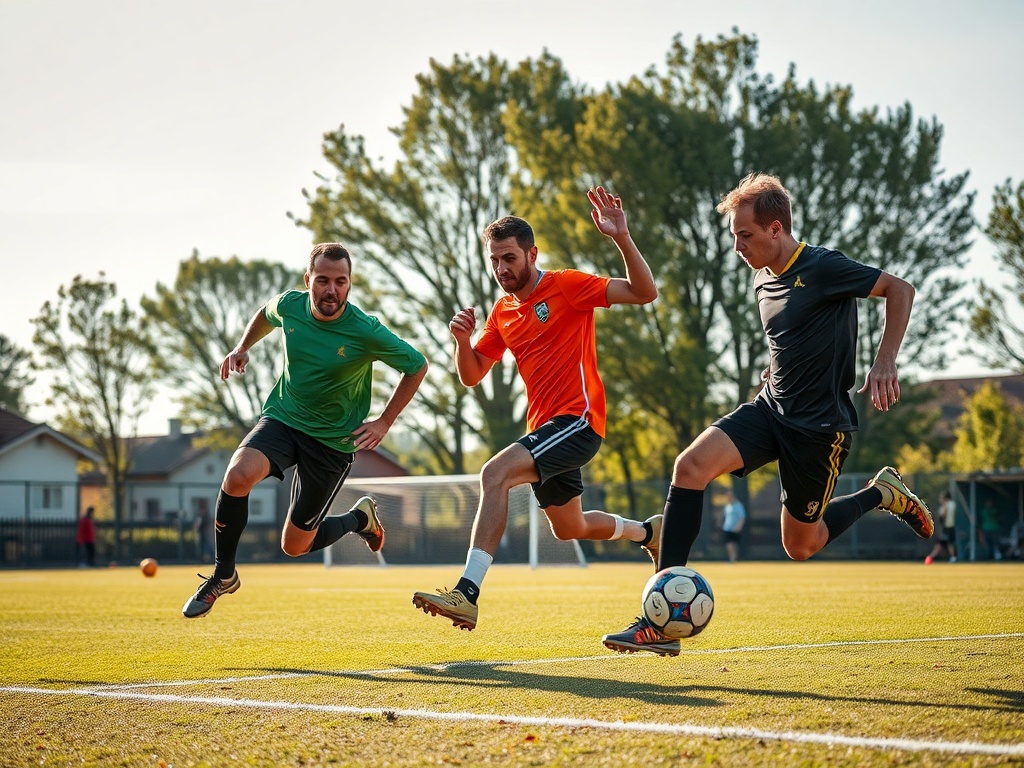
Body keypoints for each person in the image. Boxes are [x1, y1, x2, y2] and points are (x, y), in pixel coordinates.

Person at [602, 172, 933, 657]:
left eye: (745, 235)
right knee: (689, 467)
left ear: (776, 229)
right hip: (770, 408)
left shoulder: (823, 266)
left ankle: (881, 493)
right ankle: (660, 624)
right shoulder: (761, 278)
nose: (738, 247)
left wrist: (885, 361)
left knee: (801, 545)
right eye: (734, 236)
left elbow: (900, 289)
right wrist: (775, 368)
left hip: (819, 429)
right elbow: (791, 336)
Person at [411, 186, 660, 631]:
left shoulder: (567, 285)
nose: (501, 269)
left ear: (531, 254)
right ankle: (649, 532)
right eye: (494, 260)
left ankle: (467, 593)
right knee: (570, 527)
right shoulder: (502, 311)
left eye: (509, 258)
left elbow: (645, 292)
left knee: (494, 474)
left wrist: (621, 237)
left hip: (578, 420)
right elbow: (472, 374)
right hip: (545, 430)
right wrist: (462, 342)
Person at [181, 242, 428, 618]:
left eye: (341, 282)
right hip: (284, 418)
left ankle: (359, 519)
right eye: (323, 280)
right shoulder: (290, 305)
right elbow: (266, 313)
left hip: (331, 442)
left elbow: (416, 365)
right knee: (237, 476)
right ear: (307, 279)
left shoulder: (365, 330)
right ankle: (223, 574)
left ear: (350, 283)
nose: (332, 290)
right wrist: (242, 346)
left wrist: (384, 421)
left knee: (294, 546)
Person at [925, 491, 957, 564]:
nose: (940, 499)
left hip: (948, 528)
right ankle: (931, 557)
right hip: (946, 528)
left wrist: (945, 506)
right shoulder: (947, 505)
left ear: (945, 498)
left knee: (949, 543)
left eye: (941, 497)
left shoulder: (948, 505)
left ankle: (953, 558)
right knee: (940, 543)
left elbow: (943, 517)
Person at [720, 490, 746, 563]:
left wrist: (739, 527)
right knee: (729, 544)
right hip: (727, 528)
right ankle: (732, 558)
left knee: (734, 544)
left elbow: (742, 517)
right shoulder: (727, 506)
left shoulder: (738, 506)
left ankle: (734, 558)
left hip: (735, 528)